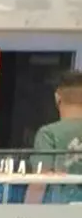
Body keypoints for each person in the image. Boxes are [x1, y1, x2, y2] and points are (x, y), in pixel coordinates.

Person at [33, 69, 82, 204]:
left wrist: (26, 216)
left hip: (60, 216)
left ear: (57, 97)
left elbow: (39, 183)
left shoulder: (48, 133)